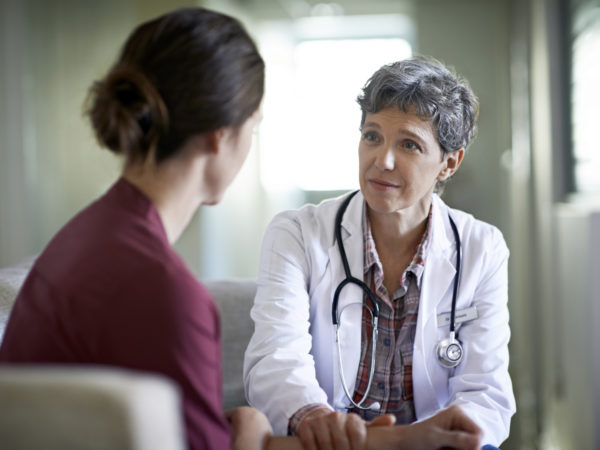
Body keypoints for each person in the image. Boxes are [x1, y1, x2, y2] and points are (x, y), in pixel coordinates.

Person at [0, 9, 484, 450]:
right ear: (220, 137)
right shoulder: (164, 295)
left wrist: (248, 431)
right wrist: (253, 433)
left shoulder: (87, 236)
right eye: (254, 126)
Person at [244, 57, 516, 449]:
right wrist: (314, 417)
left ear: (448, 163)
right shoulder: (297, 234)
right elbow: (275, 360)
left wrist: (458, 436)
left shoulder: (481, 248)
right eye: (372, 136)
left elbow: (485, 391)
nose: (382, 160)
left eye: (409, 144)